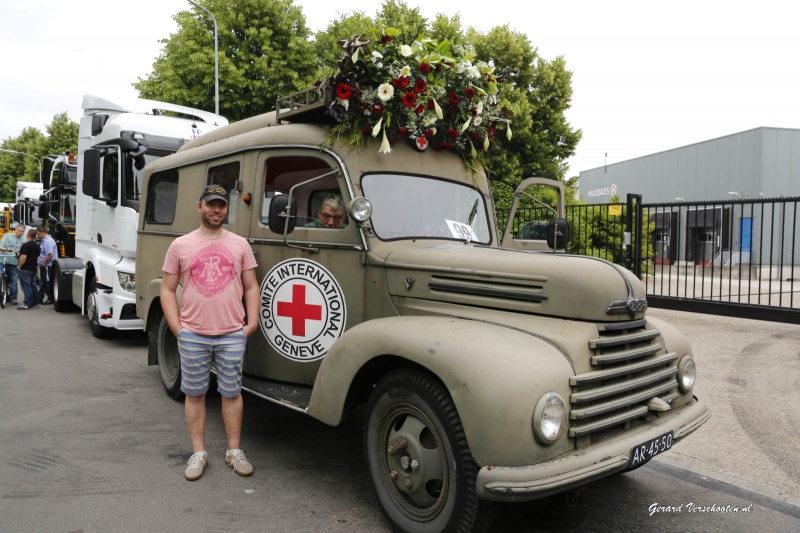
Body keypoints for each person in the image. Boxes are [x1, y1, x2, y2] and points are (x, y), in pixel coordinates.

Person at [161, 185, 260, 481]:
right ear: (199, 206)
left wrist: (250, 325)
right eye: (211, 205)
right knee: (195, 394)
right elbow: (167, 289)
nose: (217, 210)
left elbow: (252, 286)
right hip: (193, 333)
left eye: (222, 206)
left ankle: (233, 451)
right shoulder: (180, 245)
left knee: (231, 393)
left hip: (232, 332)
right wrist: (178, 329)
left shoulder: (240, 244)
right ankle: (198, 453)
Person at [0, 224, 25, 304]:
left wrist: (20, 255)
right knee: (0, 276)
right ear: (15, 229)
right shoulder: (7, 236)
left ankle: (13, 297)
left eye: (22, 231)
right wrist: (7, 249)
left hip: (14, 263)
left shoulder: (24, 240)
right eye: (19, 230)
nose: (20, 232)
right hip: (3, 260)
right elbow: (0, 246)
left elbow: (24, 252)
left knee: (14, 281)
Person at [16, 229, 40, 310]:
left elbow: (23, 257)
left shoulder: (25, 245)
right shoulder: (37, 246)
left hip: (25, 268)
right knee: (33, 285)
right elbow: (37, 258)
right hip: (33, 268)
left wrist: (19, 266)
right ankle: (35, 302)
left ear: (28, 235)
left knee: (26, 287)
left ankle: (27, 303)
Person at [36, 226, 57, 305]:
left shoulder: (48, 242)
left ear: (43, 233)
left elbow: (49, 254)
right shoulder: (44, 241)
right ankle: (39, 298)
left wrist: (43, 263)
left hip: (47, 265)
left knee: (48, 282)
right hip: (43, 266)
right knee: (42, 283)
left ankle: (50, 298)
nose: (37, 236)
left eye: (38, 234)